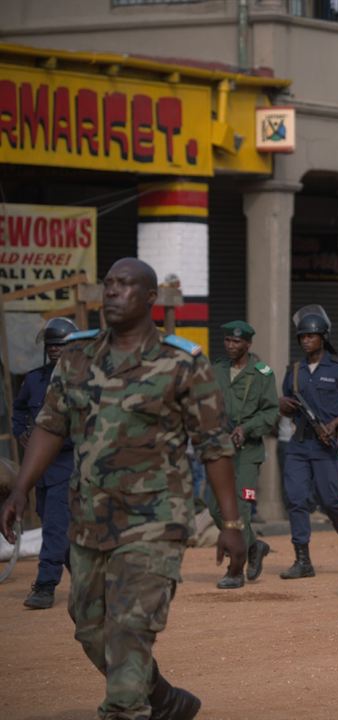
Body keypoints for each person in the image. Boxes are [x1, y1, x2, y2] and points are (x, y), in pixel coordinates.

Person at [0, 257, 246, 718]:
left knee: (130, 626)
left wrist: (231, 523)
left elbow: (214, 447)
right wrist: (20, 491)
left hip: (155, 523)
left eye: (125, 285)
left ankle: (126, 708)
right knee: (89, 625)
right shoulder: (75, 356)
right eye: (109, 284)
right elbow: (50, 426)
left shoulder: (181, 362)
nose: (113, 292)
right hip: (90, 519)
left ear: (150, 297)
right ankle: (163, 697)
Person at [278, 311, 338, 579]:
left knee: (330, 500)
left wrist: (335, 423)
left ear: (323, 337)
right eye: (302, 336)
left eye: (311, 336)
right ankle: (302, 559)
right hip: (299, 444)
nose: (306, 340)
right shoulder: (294, 371)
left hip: (326, 445)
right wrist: (283, 406)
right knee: (296, 499)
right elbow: (287, 404)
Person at [12, 317, 78, 609]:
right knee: (51, 520)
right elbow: (19, 410)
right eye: (51, 346)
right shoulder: (35, 378)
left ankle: (45, 585)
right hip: (40, 467)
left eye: (60, 345)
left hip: (67, 463)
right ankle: (87, 576)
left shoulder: (82, 383)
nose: (54, 350)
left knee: (53, 523)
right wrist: (22, 434)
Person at [210, 320, 278, 589]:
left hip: (248, 453)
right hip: (219, 449)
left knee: (242, 506)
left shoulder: (262, 374)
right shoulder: (215, 370)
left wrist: (247, 428)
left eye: (236, 341)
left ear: (248, 344)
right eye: (227, 340)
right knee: (215, 506)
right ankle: (254, 545)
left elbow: (271, 411)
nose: (230, 345)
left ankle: (235, 570)